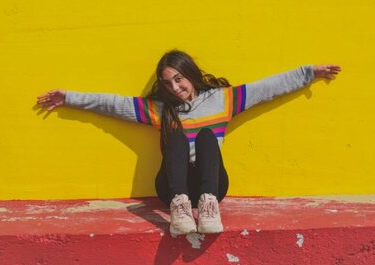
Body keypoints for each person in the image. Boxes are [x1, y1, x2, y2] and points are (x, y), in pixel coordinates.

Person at [37, 50, 341, 235]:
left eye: (179, 79)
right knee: (176, 136)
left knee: (209, 137)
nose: (175, 87)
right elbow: (114, 104)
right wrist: (70, 98)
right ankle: (181, 208)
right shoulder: (161, 109)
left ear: (191, 74)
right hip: (172, 189)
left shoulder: (222, 100)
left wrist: (309, 73)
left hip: (212, 187)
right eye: (168, 83)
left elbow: (268, 88)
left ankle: (208, 207)